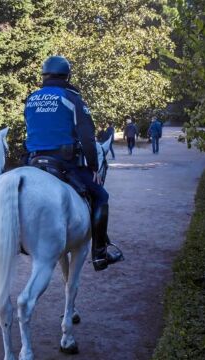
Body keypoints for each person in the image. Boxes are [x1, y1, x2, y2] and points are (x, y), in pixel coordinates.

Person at [24, 55, 123, 271]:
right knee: (101, 196)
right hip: (64, 162)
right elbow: (87, 137)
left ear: (44, 75)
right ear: (67, 75)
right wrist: (94, 167)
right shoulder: (71, 98)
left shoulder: (31, 98)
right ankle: (99, 253)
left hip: (34, 161)